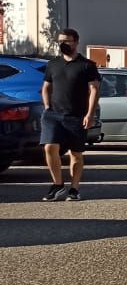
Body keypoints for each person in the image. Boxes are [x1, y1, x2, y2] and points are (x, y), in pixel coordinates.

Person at [39, 28, 100, 203]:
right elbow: (45, 87)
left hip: (76, 116)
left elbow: (94, 89)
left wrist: (90, 114)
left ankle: (74, 189)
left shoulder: (87, 65)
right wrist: (47, 106)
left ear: (76, 42)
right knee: (49, 147)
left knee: (76, 154)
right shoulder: (53, 64)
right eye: (60, 41)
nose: (63, 44)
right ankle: (58, 185)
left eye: (67, 41)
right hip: (53, 116)